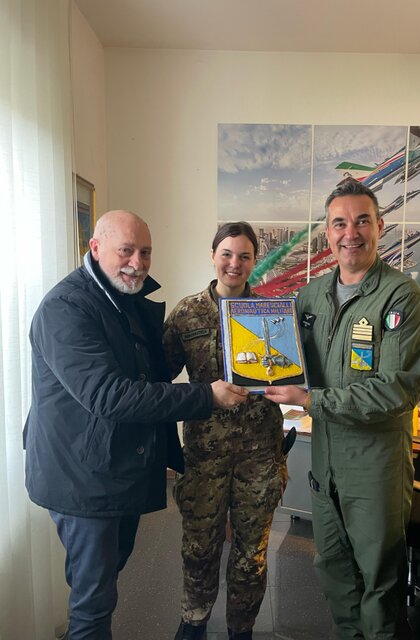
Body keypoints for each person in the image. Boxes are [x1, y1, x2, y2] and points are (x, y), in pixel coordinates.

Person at [23, 210, 248, 640]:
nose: (137, 262)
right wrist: (205, 396)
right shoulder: (65, 308)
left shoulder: (120, 298)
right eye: (126, 250)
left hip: (111, 470)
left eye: (145, 252)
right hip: (81, 478)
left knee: (105, 581)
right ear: (95, 248)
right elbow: (108, 395)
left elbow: (148, 371)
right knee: (93, 602)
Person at [264, 179, 420, 640]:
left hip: (375, 467)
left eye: (361, 221)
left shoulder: (401, 297)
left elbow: (396, 390)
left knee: (379, 581)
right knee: (334, 570)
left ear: (380, 226)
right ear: (328, 232)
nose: (350, 233)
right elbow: (284, 359)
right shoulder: (311, 296)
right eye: (340, 223)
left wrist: (310, 400)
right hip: (326, 462)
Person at [162, 222, 288, 640]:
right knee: (199, 547)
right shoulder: (187, 314)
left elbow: (290, 371)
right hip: (205, 457)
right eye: (227, 254)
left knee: (251, 554)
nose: (235, 264)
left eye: (245, 256)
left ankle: (241, 628)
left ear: (254, 261)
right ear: (213, 255)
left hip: (260, 456)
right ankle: (194, 620)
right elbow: (161, 380)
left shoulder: (272, 314)